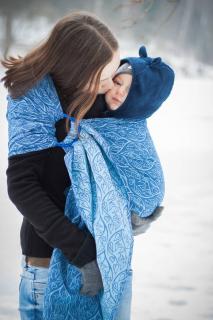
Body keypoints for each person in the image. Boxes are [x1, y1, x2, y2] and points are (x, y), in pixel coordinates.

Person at [1, 11, 121, 320]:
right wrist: (81, 252)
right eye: (105, 75)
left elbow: (155, 76)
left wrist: (132, 72)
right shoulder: (34, 102)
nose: (112, 84)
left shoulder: (91, 91)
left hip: (100, 255)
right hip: (49, 261)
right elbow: (21, 187)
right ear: (77, 69)